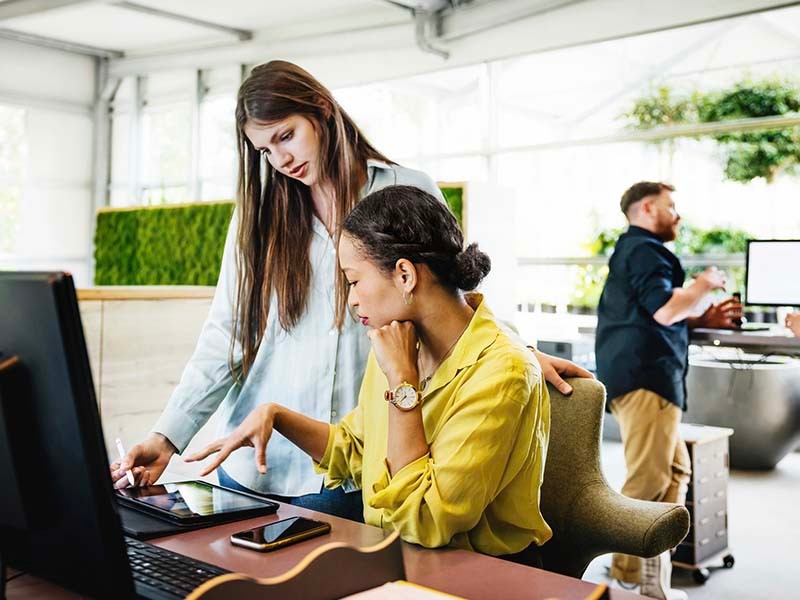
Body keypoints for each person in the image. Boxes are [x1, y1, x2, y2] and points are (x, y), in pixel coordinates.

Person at [110, 60, 588, 520]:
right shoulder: (257, 220)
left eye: (286, 136)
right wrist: (167, 436)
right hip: (253, 464)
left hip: (361, 469)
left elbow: (449, 287)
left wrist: (514, 351)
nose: (281, 160)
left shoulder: (408, 187)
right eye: (265, 151)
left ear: (321, 109)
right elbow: (227, 335)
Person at [186, 185, 553, 561]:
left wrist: (403, 386)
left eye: (354, 281)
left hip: (478, 574)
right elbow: (358, 450)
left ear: (405, 275)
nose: (351, 299)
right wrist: (277, 416)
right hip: (399, 558)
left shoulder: (503, 371)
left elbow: (427, 520)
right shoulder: (398, 344)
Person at [595, 182, 742, 600]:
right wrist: (703, 283)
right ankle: (625, 573)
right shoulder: (645, 250)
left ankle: (650, 573)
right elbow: (664, 308)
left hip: (648, 377)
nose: (677, 215)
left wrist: (700, 316)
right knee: (650, 477)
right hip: (646, 380)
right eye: (670, 206)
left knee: (675, 472)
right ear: (646, 208)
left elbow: (653, 315)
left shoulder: (634, 251)